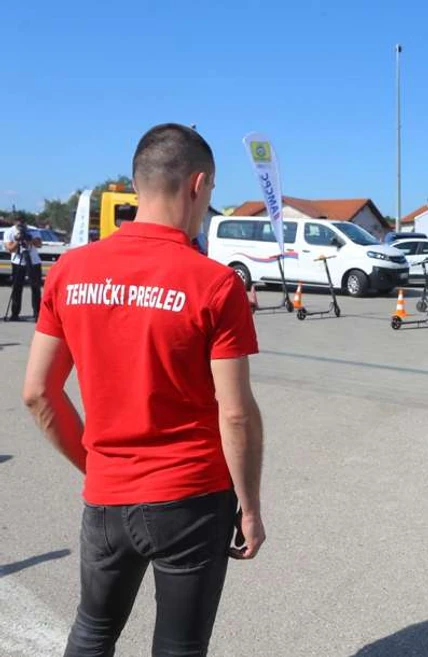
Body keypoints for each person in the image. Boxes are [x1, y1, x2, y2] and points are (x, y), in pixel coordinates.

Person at [21, 123, 266, 657]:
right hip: (192, 498)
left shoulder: (70, 270)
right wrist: (249, 505)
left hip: (107, 496)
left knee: (92, 631)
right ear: (198, 184)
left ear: (138, 185)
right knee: (179, 647)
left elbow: (39, 392)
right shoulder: (215, 284)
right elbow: (236, 413)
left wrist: (96, 462)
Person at [3, 214, 44, 321]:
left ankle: (37, 314)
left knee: (35, 288)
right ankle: (15, 314)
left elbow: (39, 244)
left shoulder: (33, 230)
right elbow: (9, 249)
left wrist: (30, 239)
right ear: (14, 223)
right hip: (17, 262)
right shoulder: (9, 232)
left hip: (34, 261)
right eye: (18, 224)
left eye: (23, 223)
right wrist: (18, 240)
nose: (21, 226)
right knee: (17, 288)